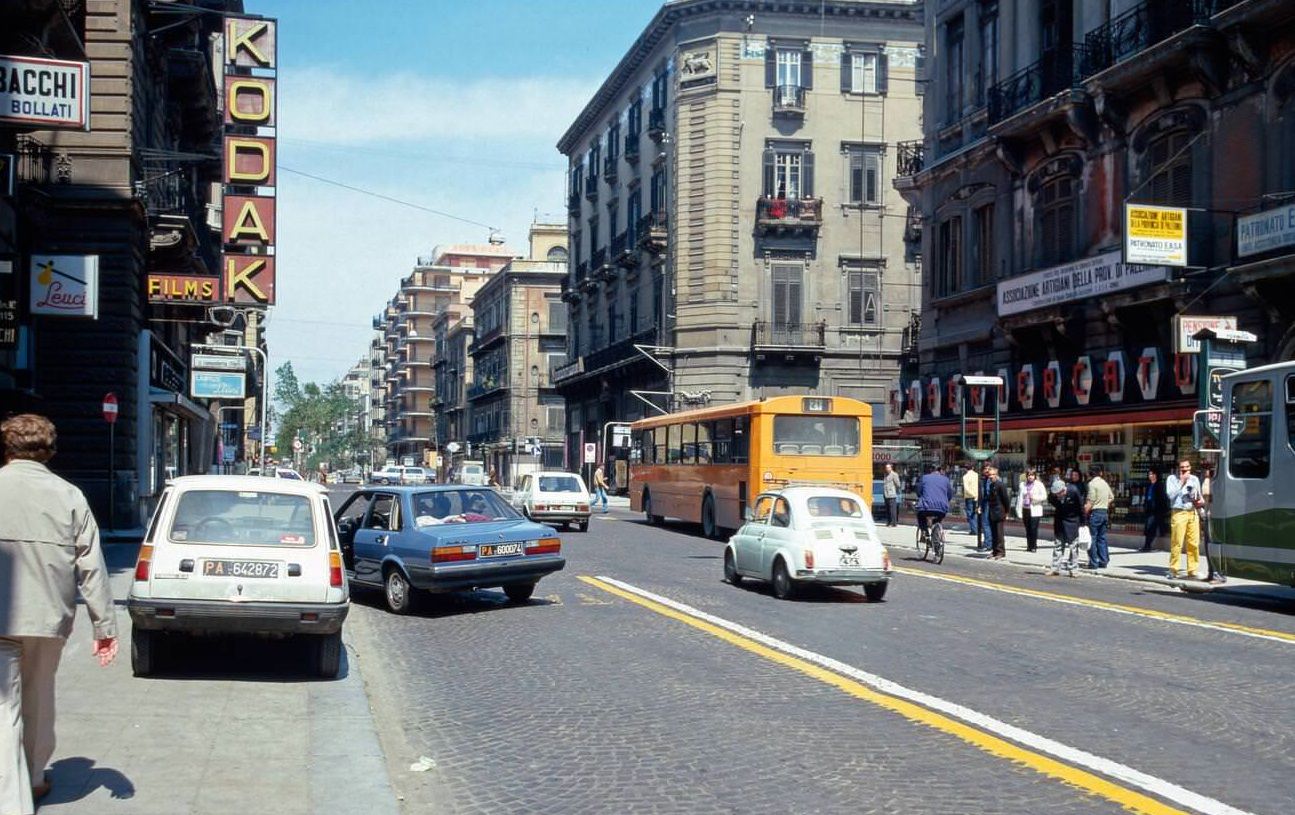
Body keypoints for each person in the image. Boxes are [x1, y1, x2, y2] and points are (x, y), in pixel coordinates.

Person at [1, 415, 119, 815]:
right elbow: (91, 564)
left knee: (4, 708)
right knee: (38, 699)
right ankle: (33, 779)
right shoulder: (69, 495)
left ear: (6, 447)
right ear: (49, 450)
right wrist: (104, 626)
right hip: (47, 618)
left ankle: (10, 799)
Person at [1165, 459, 1204, 580]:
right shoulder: (1172, 479)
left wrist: (1200, 501)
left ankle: (1192, 570)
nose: (1185, 470)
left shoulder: (1195, 479)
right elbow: (1170, 495)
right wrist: (1181, 482)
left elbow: (1199, 496)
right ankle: (1173, 569)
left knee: (1193, 542)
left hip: (1192, 512)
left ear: (1190, 468)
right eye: (1182, 468)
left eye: (1187, 467)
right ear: (1178, 468)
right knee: (1177, 542)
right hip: (1179, 512)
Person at [1046, 476, 1084, 577]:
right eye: (1056, 494)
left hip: (1072, 521)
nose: (1058, 496)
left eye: (1059, 493)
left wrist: (1083, 523)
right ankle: (1055, 568)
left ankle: (1073, 569)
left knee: (1073, 547)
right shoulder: (1054, 496)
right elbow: (1051, 500)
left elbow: (1081, 507)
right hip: (1060, 521)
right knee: (1058, 545)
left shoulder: (1073, 491)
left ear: (1064, 489)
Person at [1199, 464, 1225, 583]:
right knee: (1207, 544)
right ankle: (1211, 572)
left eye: (1208, 470)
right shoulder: (1203, 481)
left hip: (1213, 514)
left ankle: (1218, 573)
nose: (1206, 472)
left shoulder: (1215, 482)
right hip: (1206, 513)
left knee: (1213, 544)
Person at [1084, 466, 1113, 569]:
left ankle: (1093, 562)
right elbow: (1111, 497)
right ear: (1099, 473)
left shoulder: (1092, 484)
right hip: (1104, 513)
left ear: (1090, 474)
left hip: (1095, 513)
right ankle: (1103, 560)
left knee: (1092, 538)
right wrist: (1104, 504)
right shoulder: (1104, 483)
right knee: (1102, 538)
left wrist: (1085, 512)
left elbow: (1091, 501)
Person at [915, 464, 954, 536]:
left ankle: (924, 532)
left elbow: (918, 491)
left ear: (930, 471)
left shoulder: (924, 478)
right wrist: (945, 501)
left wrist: (921, 497)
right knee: (937, 520)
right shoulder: (945, 479)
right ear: (940, 471)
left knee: (920, 515)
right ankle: (936, 532)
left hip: (926, 507)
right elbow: (950, 494)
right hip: (941, 508)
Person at [1014, 469, 1047, 553]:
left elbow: (1044, 496)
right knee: (1027, 528)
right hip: (1026, 509)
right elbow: (1019, 498)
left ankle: (1034, 546)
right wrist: (1018, 510)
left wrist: (1034, 498)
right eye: (1029, 475)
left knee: (1033, 528)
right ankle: (1029, 546)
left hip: (1035, 510)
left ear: (1035, 476)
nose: (1030, 477)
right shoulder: (1023, 485)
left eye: (1032, 475)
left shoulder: (1039, 484)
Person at [985, 465, 1012, 560]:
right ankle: (994, 550)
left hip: (999, 511)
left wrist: (1007, 512)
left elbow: (1006, 499)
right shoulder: (991, 485)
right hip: (992, 512)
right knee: (993, 533)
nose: (991, 476)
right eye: (990, 475)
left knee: (999, 533)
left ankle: (1001, 551)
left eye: (993, 475)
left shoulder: (1000, 485)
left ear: (996, 475)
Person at [1140, 469, 1168, 552]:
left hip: (1156, 509)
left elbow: (1162, 498)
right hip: (1149, 508)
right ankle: (1146, 545)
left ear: (1156, 475)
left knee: (1151, 527)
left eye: (1152, 474)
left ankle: (1147, 545)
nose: (1150, 476)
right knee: (1149, 527)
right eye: (1149, 474)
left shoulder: (1159, 485)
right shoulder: (1149, 485)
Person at [960, 464, 980, 538]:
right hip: (977, 496)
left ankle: (974, 529)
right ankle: (976, 528)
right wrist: (976, 495)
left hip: (969, 497)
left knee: (970, 513)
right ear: (973, 467)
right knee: (975, 512)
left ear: (966, 469)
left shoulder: (965, 477)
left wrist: (972, 494)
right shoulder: (977, 475)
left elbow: (966, 488)